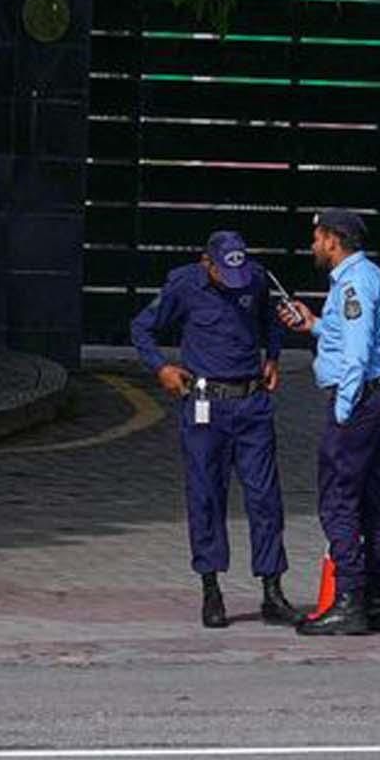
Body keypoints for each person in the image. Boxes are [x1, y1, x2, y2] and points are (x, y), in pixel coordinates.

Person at [131, 229, 297, 627]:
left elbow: (270, 321)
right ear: (207, 263)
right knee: (206, 496)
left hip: (252, 403)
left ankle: (272, 589)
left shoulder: (256, 279)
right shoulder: (184, 284)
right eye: (223, 273)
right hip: (206, 406)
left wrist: (273, 356)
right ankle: (211, 588)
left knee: (265, 498)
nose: (232, 281)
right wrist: (161, 367)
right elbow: (142, 328)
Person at [282, 206, 380, 636]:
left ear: (333, 239)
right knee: (371, 500)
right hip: (378, 396)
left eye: (317, 238)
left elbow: (357, 352)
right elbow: (346, 334)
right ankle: (376, 601)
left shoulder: (353, 284)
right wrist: (314, 324)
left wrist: (343, 409)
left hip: (360, 399)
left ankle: (348, 599)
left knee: (339, 499)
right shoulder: (371, 277)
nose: (313, 245)